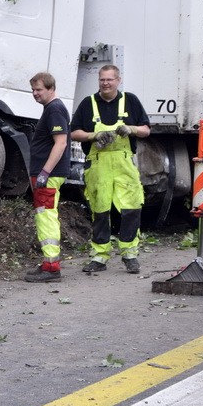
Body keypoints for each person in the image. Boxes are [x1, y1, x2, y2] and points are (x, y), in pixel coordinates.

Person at [70, 64, 151, 274]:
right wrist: (93, 136)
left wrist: (131, 129)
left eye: (109, 80)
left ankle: (130, 255)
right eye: (102, 80)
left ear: (118, 80)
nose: (105, 83)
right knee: (100, 211)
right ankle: (99, 256)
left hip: (124, 164)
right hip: (99, 165)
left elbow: (146, 130)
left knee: (131, 209)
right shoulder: (88, 104)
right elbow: (74, 132)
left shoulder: (130, 100)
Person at [25, 72, 71, 283]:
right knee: (46, 215)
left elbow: (60, 142)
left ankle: (51, 267)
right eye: (33, 90)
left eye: (39, 90)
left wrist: (44, 173)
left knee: (46, 217)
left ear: (51, 89)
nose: (35, 94)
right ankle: (49, 264)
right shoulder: (52, 109)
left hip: (48, 176)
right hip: (49, 175)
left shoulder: (54, 109)